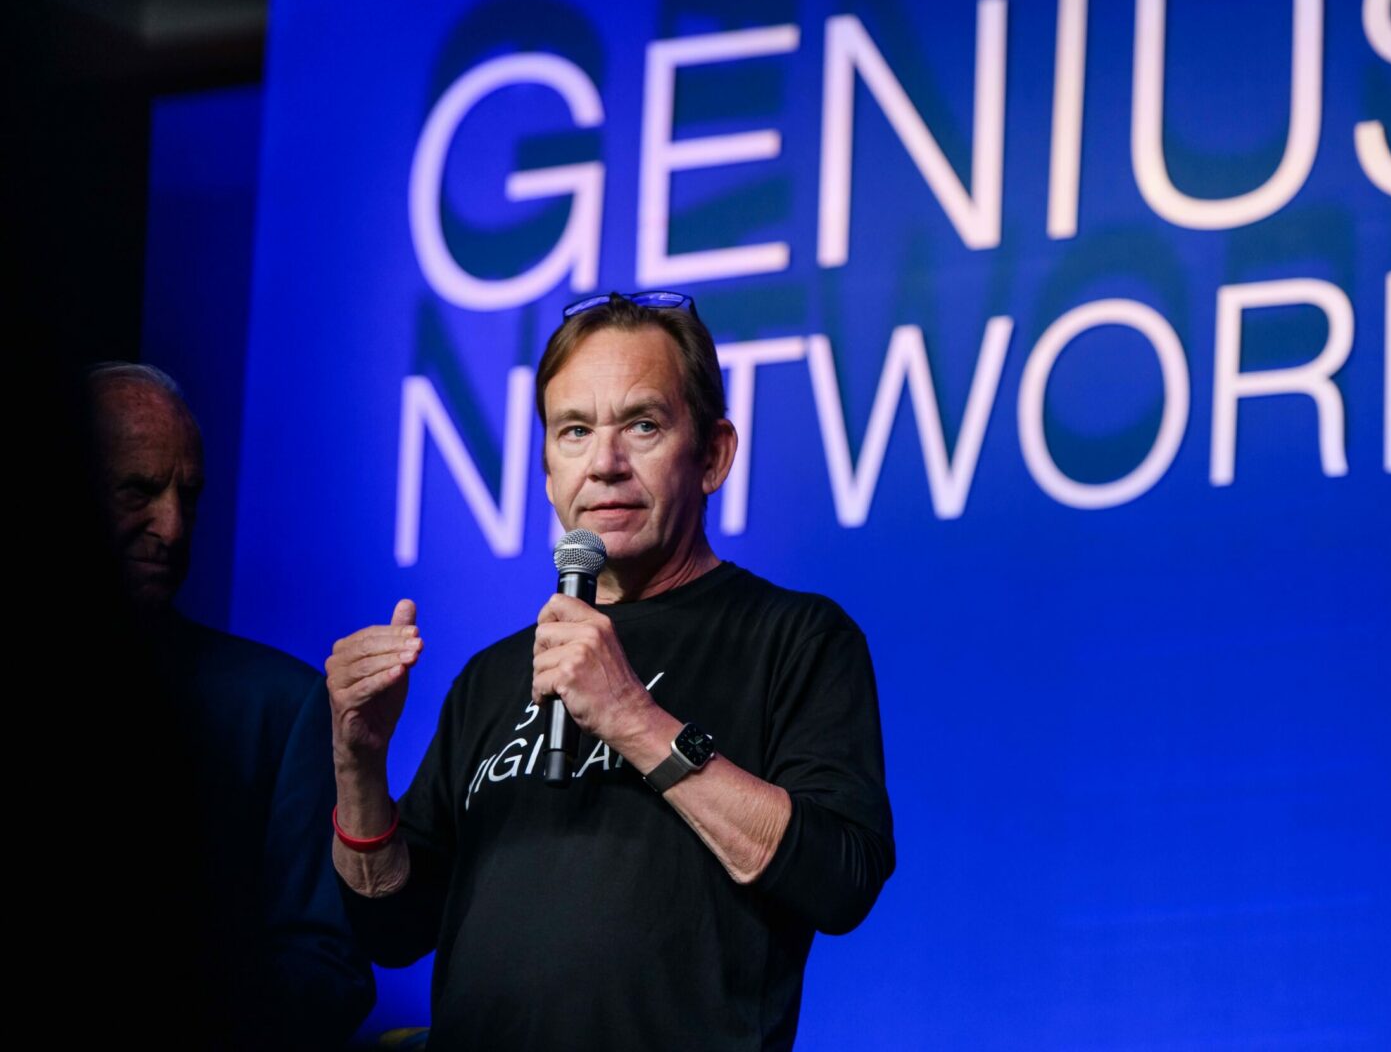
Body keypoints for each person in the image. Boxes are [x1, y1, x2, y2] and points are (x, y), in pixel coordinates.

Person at [329, 292, 894, 1050]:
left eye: (643, 425)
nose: (604, 464)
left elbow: (841, 878)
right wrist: (359, 765)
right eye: (575, 431)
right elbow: (392, 929)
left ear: (714, 455)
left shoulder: (796, 638)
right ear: (547, 473)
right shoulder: (493, 675)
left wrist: (632, 718)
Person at [87, 362, 376, 1050]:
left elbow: (329, 969)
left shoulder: (276, 705)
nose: (173, 527)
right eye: (137, 491)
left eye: (188, 495)